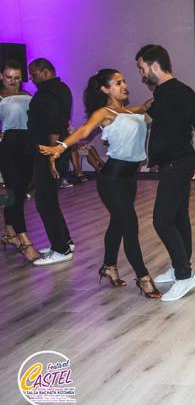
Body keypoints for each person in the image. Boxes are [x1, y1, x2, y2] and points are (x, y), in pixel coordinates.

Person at [39, 69, 160, 298]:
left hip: (129, 178)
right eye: (117, 83)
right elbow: (84, 130)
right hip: (112, 179)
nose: (124, 86)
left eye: (124, 81)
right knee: (130, 225)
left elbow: (146, 107)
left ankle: (108, 266)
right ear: (105, 89)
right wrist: (61, 147)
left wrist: (163, 87)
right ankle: (143, 277)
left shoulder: (128, 111)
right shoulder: (104, 113)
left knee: (118, 223)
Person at [135, 45, 195, 302]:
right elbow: (146, 116)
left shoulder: (180, 92)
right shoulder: (162, 94)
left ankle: (184, 275)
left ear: (155, 66)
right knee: (179, 217)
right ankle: (181, 265)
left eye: (142, 68)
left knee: (161, 220)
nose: (141, 74)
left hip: (179, 164)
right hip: (171, 164)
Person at [26, 58, 74, 266]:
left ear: (46, 72)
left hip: (48, 152)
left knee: (45, 202)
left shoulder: (47, 93)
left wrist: (52, 157)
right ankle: (65, 241)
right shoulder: (61, 88)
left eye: (34, 74)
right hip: (54, 151)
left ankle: (61, 249)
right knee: (50, 200)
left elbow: (54, 126)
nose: (31, 78)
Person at [0, 60, 42, 262]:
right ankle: (26, 243)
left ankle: (9, 233)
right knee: (15, 193)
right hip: (7, 148)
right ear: (1, 77)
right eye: (9, 77)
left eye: (17, 78)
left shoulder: (27, 95)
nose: (13, 81)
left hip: (27, 146)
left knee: (16, 193)